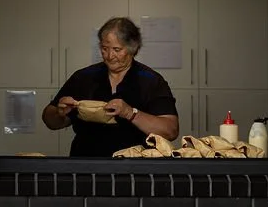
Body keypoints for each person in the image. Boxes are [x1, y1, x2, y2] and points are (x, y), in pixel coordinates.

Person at [41, 16, 179, 158]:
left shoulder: (151, 81)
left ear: (133, 48)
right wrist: (59, 113)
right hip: (85, 163)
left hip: (134, 165)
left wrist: (130, 113)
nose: (109, 56)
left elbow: (170, 131)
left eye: (117, 49)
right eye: (104, 48)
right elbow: (50, 121)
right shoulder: (83, 77)